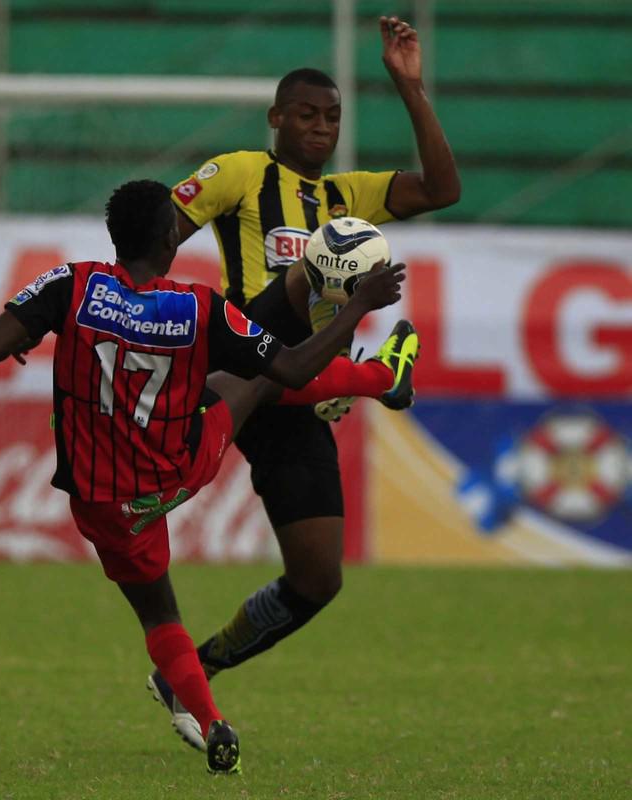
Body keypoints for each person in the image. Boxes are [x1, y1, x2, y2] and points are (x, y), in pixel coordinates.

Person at [0, 180, 413, 774]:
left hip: (103, 507)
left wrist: (26, 333)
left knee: (158, 616)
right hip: (178, 468)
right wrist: (360, 304)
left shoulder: (71, 285)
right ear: (168, 238)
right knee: (255, 382)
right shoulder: (200, 307)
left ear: (113, 236)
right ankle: (383, 378)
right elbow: (295, 366)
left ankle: (212, 723)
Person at [150, 15, 460, 749]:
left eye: (331, 118)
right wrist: (155, 317)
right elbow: (154, 235)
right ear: (275, 119)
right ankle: (379, 374)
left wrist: (409, 88)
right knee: (331, 256)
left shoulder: (348, 192)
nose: (319, 128)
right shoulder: (237, 174)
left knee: (319, 578)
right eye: (305, 115)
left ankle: (195, 670)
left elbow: (443, 188)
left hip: (297, 397)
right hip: (241, 359)